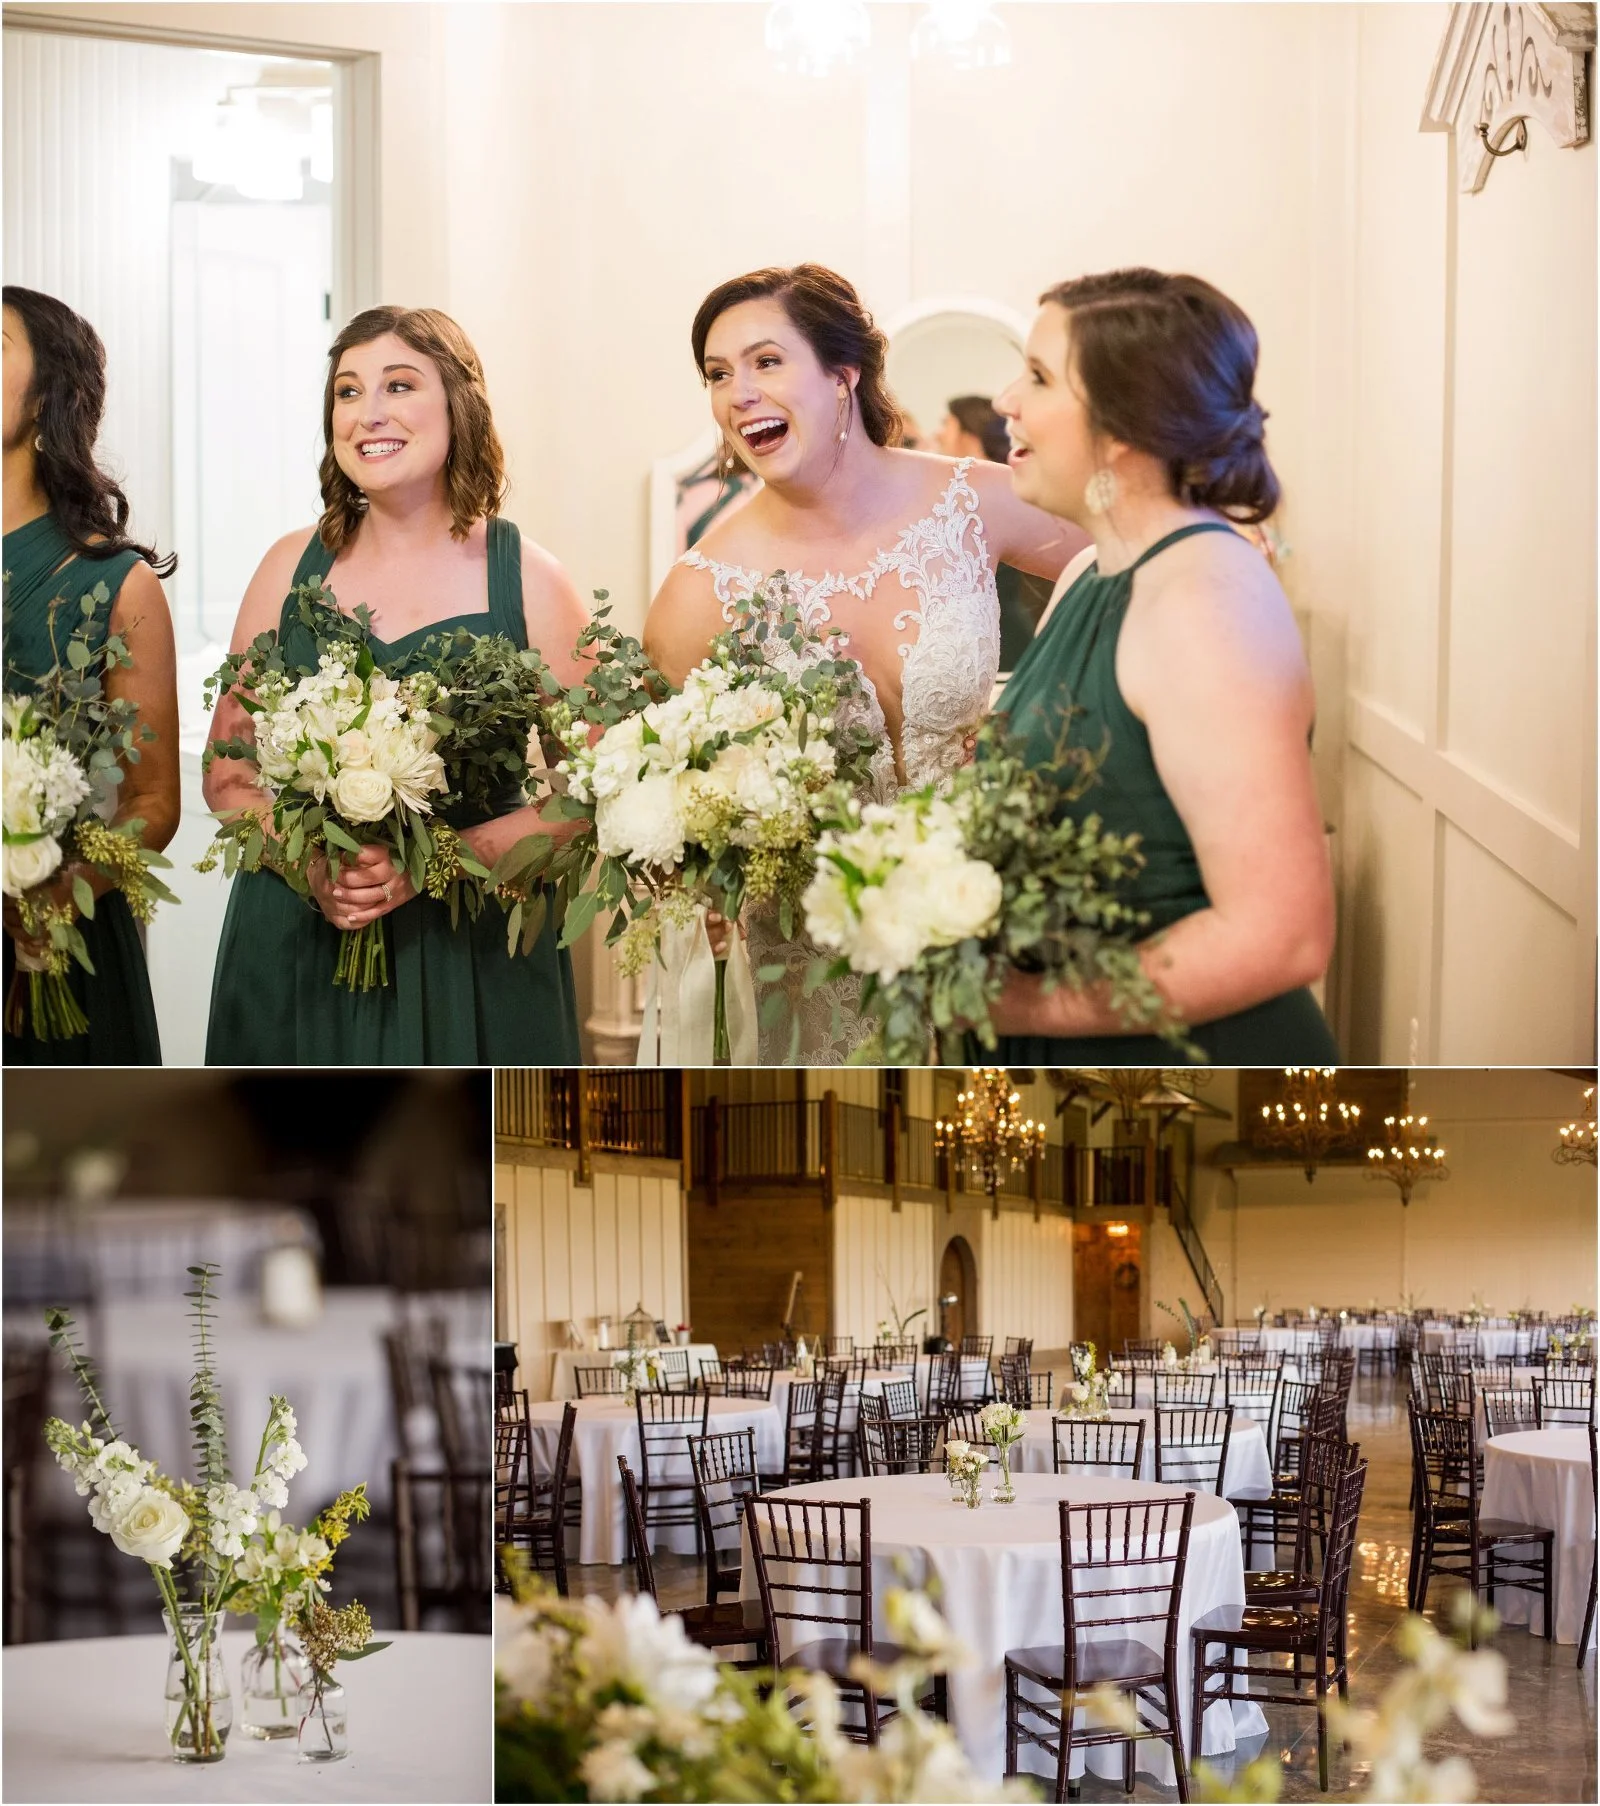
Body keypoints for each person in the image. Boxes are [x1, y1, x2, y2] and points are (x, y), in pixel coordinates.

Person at [645, 263, 1083, 1062]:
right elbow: (659, 801)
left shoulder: (974, 502)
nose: (737, 392)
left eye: (766, 362)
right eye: (717, 374)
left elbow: (1124, 573)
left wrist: (1046, 721)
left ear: (843, 373)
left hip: (983, 939)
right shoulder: (699, 593)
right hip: (809, 981)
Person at [203, 306, 586, 1064]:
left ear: (458, 406)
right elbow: (229, 771)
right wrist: (312, 863)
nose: (367, 413)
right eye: (347, 392)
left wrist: (437, 860)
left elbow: (600, 789)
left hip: (470, 953)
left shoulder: (530, 579)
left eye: (399, 385)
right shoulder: (288, 568)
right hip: (297, 948)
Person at [988, 267, 1338, 1061]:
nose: (1007, 399)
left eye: (1039, 377)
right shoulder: (1094, 572)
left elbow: (1282, 937)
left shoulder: (1204, 603)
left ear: (1123, 428)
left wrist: (1023, 1005)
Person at [2, 287, 179, 1065]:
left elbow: (153, 803)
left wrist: (62, 888)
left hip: (53, 952)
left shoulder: (115, 585)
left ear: (46, 397)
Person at [936, 393, 1053, 671]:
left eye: (947, 424)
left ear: (969, 437)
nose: (939, 434)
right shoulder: (956, 495)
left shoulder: (987, 495)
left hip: (1002, 637)